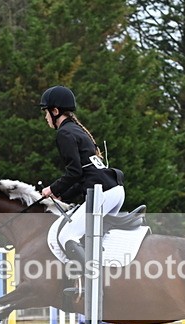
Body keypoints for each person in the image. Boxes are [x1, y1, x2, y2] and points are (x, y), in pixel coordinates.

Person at [38, 85, 125, 273]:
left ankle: (93, 280)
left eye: (46, 112)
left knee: (66, 237)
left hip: (103, 194)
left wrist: (52, 189)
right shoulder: (77, 130)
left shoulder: (64, 133)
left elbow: (74, 173)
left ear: (55, 111)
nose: (45, 117)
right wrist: (63, 195)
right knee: (88, 237)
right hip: (113, 190)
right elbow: (85, 176)